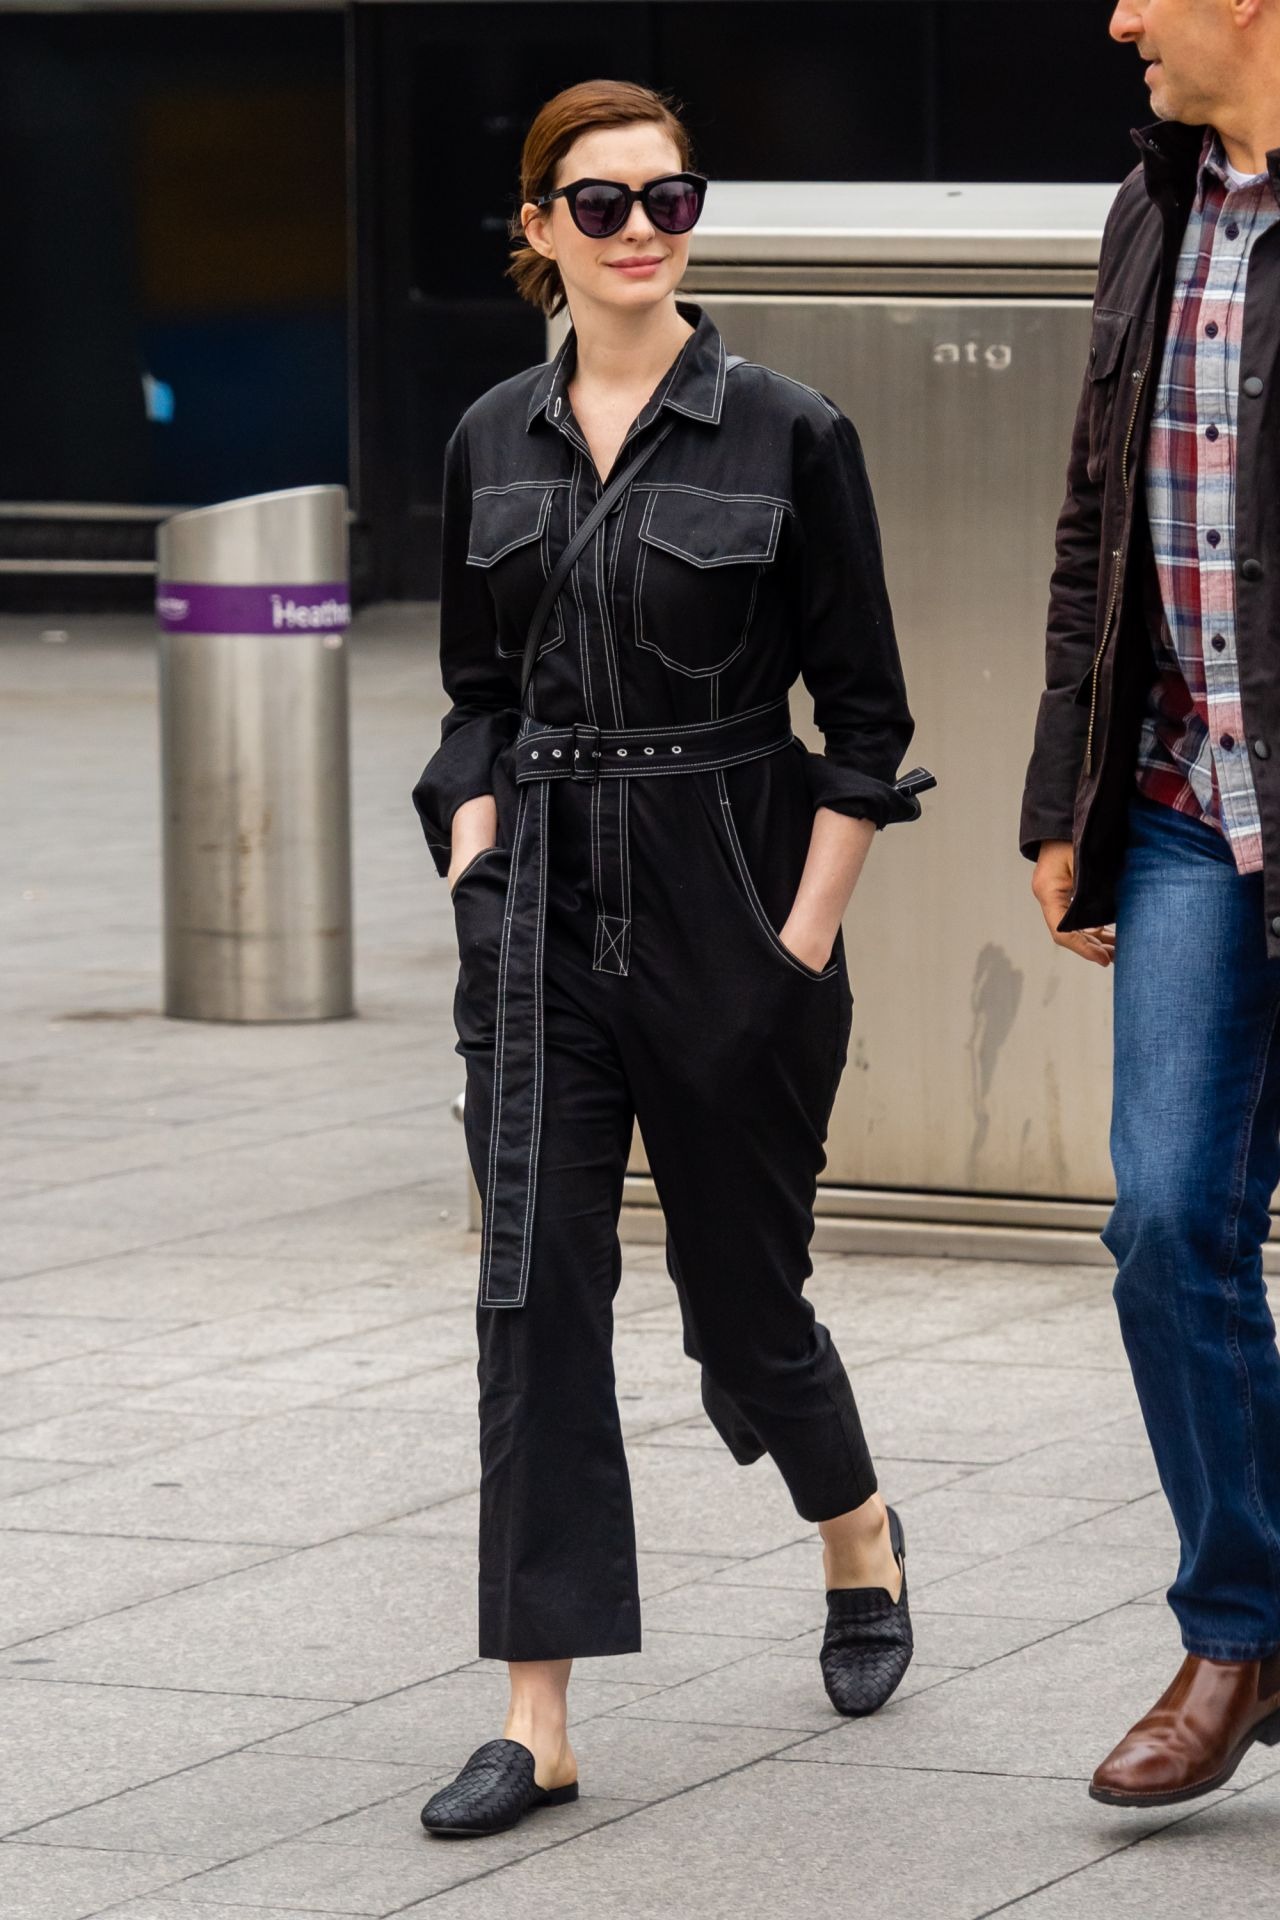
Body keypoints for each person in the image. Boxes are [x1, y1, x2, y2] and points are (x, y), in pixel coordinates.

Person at [413, 78, 926, 1839]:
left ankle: (856, 1532)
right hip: (543, 909)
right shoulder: (489, 432)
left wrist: (799, 944)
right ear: (540, 232)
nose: (646, 230)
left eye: (672, 197)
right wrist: (480, 872)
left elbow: (864, 721)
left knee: (742, 1314)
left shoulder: (788, 431)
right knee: (534, 1295)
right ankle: (537, 1720)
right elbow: (477, 699)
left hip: (734, 909)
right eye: (606, 203)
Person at [1023, 0, 1280, 1809]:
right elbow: (1095, 518)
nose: (1120, 14)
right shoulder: (1156, 203)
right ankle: (1242, 1628)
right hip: (1189, 802)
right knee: (1166, 1218)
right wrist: (1071, 794)